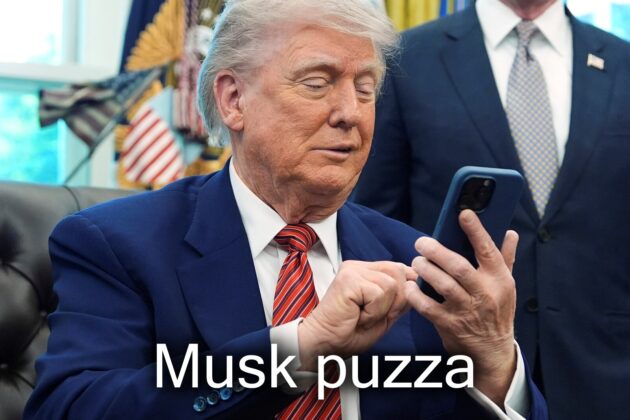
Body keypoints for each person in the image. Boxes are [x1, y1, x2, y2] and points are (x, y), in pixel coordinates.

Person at [24, 0, 547, 419]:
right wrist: (296, 350)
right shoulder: (117, 244)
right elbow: (70, 410)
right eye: (317, 83)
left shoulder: (416, 264)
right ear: (233, 99)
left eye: (366, 89)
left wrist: (495, 363)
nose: (350, 113)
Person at [352, 0, 630, 419]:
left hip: (606, 372)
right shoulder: (407, 59)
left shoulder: (623, 64)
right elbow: (376, 223)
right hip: (449, 371)